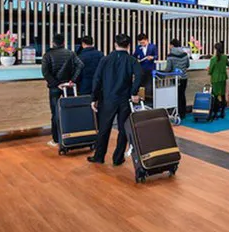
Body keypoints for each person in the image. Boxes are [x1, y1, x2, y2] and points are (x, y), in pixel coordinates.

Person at [87, 34, 142, 166]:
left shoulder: (105, 59)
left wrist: (94, 98)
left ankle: (99, 156)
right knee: (123, 129)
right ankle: (118, 158)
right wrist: (133, 92)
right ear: (128, 46)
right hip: (125, 100)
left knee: (104, 128)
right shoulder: (132, 60)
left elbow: (97, 79)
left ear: (115, 44)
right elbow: (139, 76)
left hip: (107, 99)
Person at [41, 33, 85, 147]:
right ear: (64, 42)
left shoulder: (48, 55)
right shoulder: (70, 53)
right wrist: (72, 80)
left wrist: (56, 84)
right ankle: (71, 136)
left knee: (55, 112)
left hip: (55, 88)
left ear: (53, 43)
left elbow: (45, 72)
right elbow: (80, 65)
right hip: (68, 86)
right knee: (70, 111)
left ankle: (56, 139)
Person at [164, 38, 190, 120]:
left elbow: (168, 68)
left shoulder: (170, 56)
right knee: (182, 94)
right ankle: (183, 113)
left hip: (175, 78)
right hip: (184, 78)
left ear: (172, 45)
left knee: (176, 95)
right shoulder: (185, 54)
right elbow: (187, 65)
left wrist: (162, 71)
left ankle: (177, 113)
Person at [208, 42, 229, 119]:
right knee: (223, 95)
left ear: (215, 49)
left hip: (215, 79)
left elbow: (210, 70)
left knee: (215, 96)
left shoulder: (213, 59)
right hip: (223, 78)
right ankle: (223, 112)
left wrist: (209, 71)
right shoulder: (225, 57)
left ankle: (215, 113)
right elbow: (228, 64)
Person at [133, 33, 157, 98]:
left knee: (149, 85)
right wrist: (136, 60)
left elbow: (156, 56)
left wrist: (152, 57)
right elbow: (134, 56)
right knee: (141, 84)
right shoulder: (138, 47)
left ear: (147, 40)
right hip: (141, 69)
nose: (142, 44)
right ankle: (141, 98)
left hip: (150, 69)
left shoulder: (153, 46)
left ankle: (149, 99)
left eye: (143, 42)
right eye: (140, 43)